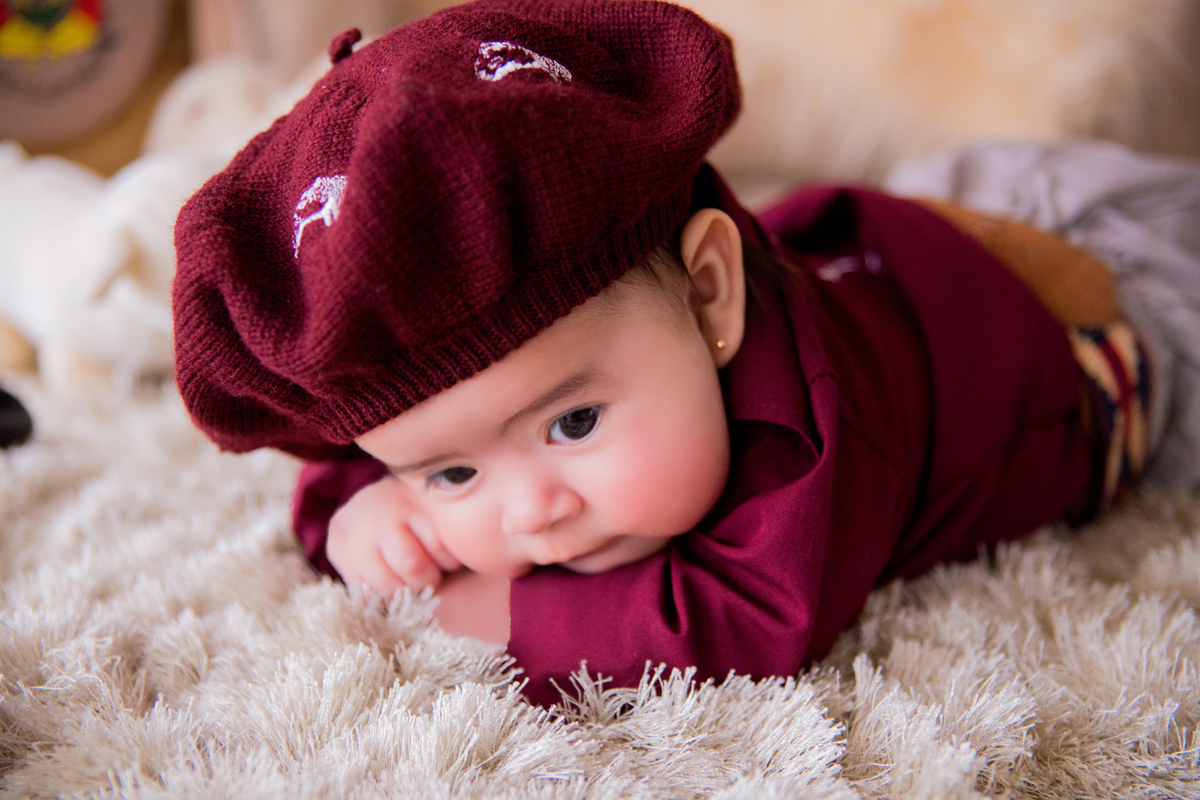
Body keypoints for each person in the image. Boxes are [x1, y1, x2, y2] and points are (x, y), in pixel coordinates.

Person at [173, 0, 1153, 706]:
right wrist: (357, 519)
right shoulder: (495, 389)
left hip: (1055, 366)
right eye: (454, 473)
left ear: (712, 292)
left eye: (574, 421)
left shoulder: (814, 429)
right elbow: (373, 448)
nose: (532, 512)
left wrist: (477, 609)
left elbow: (744, 620)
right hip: (895, 248)